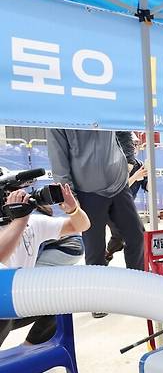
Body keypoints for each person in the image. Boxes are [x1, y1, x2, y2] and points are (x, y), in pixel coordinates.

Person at [0, 184, 90, 347]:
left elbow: (81, 226)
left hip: (18, 303)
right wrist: (20, 220)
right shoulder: (23, 222)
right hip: (3, 305)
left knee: (60, 296)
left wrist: (73, 209)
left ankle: (29, 349)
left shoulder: (32, 223)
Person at [47, 129, 145, 271]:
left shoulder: (106, 107)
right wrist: (71, 196)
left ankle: (138, 281)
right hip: (87, 191)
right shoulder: (59, 117)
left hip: (118, 184)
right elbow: (58, 157)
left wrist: (128, 160)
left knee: (137, 236)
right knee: (95, 250)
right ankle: (98, 289)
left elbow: (123, 129)